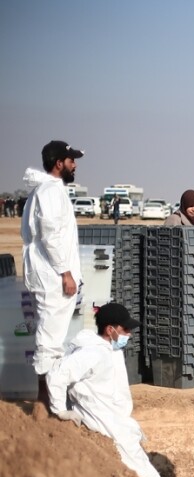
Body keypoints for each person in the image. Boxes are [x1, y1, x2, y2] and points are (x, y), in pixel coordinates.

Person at [46, 303, 164, 477]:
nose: (129, 334)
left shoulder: (109, 350)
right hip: (108, 426)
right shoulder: (92, 353)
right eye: (125, 330)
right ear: (110, 330)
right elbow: (57, 374)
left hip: (118, 422)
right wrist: (60, 410)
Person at [21, 140, 84, 390]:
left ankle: (50, 397)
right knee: (50, 340)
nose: (75, 165)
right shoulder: (49, 192)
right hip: (52, 275)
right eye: (71, 161)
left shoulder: (49, 189)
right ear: (59, 163)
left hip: (50, 272)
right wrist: (65, 273)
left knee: (52, 337)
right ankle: (45, 402)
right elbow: (50, 235)